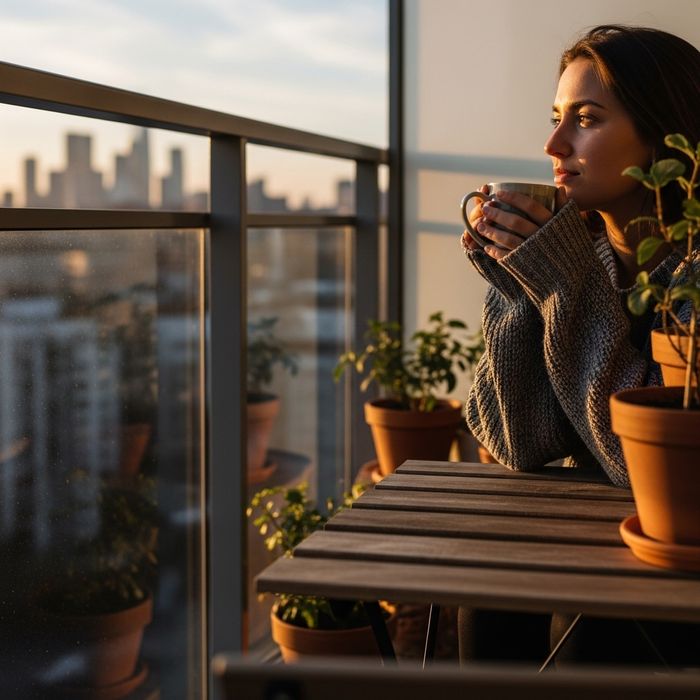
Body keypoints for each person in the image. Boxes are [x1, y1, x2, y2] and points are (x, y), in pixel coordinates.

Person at [459, 24, 700, 666]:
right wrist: (519, 290)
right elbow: (519, 443)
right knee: (487, 589)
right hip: (578, 530)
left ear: (664, 133)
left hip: (671, 551)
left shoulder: (691, 270)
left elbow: (641, 469)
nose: (554, 144)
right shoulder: (581, 251)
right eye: (556, 117)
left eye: (586, 119)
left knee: (591, 628)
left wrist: (561, 283)